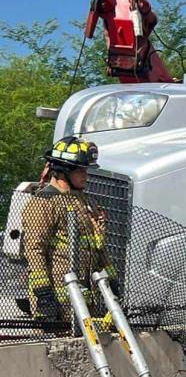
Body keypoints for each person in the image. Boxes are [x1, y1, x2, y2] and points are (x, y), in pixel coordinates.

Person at [23, 136, 116, 325]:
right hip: (56, 304)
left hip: (84, 302)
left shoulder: (86, 202)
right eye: (80, 170)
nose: (85, 175)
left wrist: (112, 281)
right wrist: (44, 294)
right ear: (63, 171)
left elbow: (99, 247)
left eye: (86, 170)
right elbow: (34, 248)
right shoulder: (43, 202)